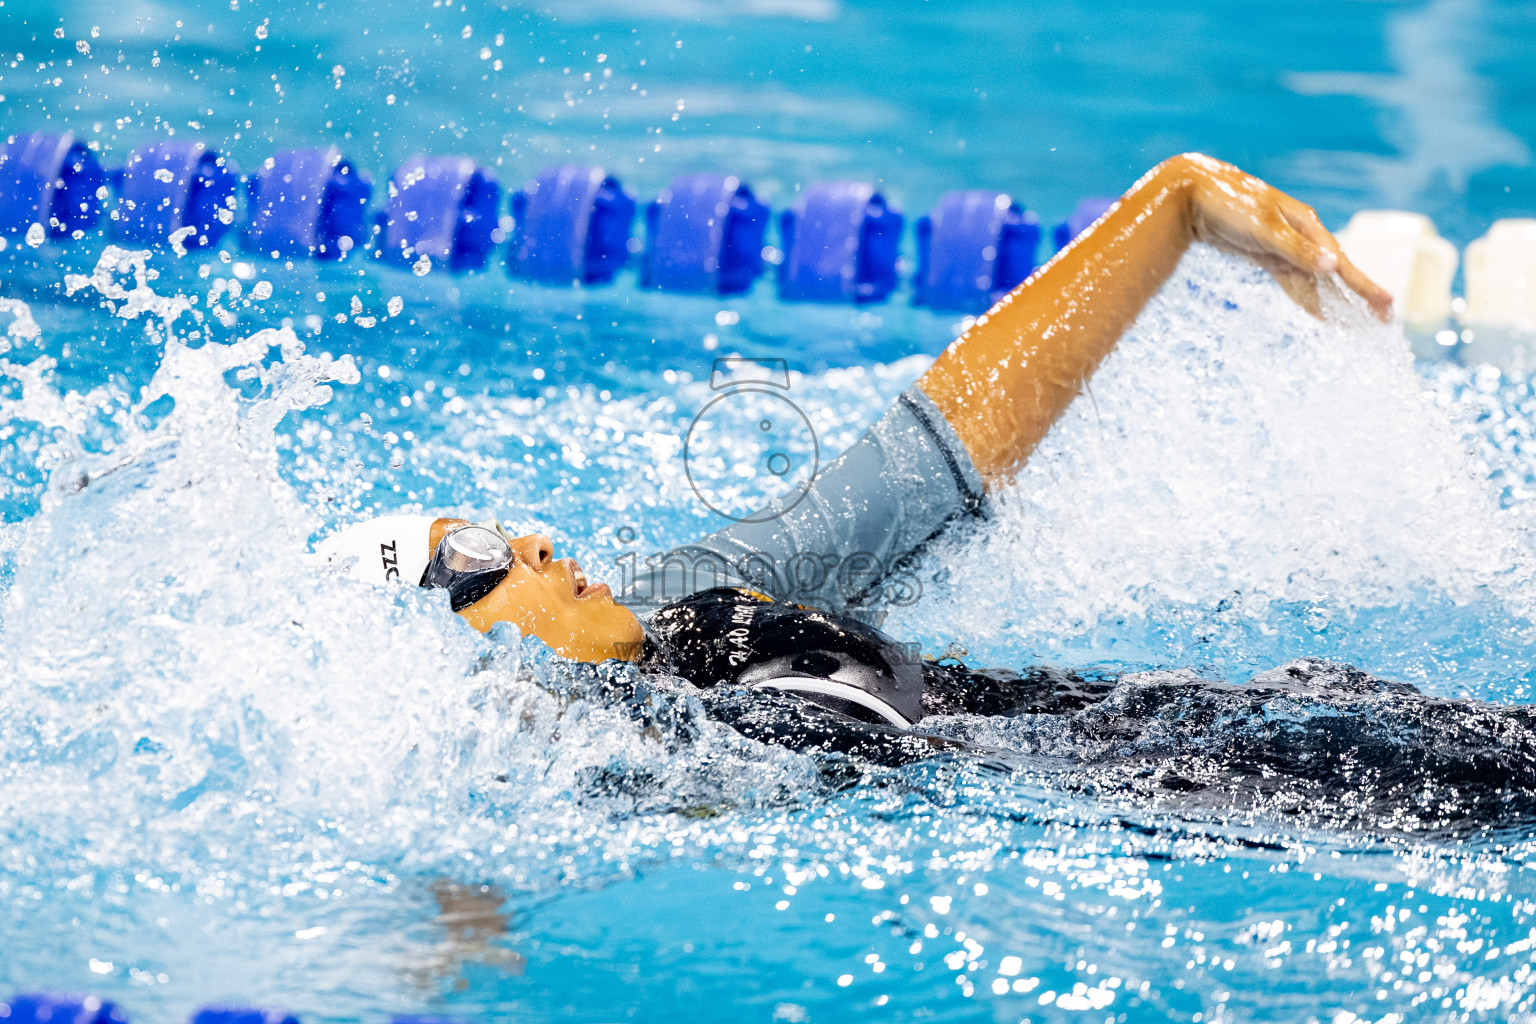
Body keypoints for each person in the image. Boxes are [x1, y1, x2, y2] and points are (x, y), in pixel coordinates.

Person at [319, 153, 1422, 752]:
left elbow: (934, 447)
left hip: (1207, 726)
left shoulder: (682, 592)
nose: (534, 539)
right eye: (475, 550)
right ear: (446, 654)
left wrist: (1173, 206)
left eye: (498, 524)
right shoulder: (561, 777)